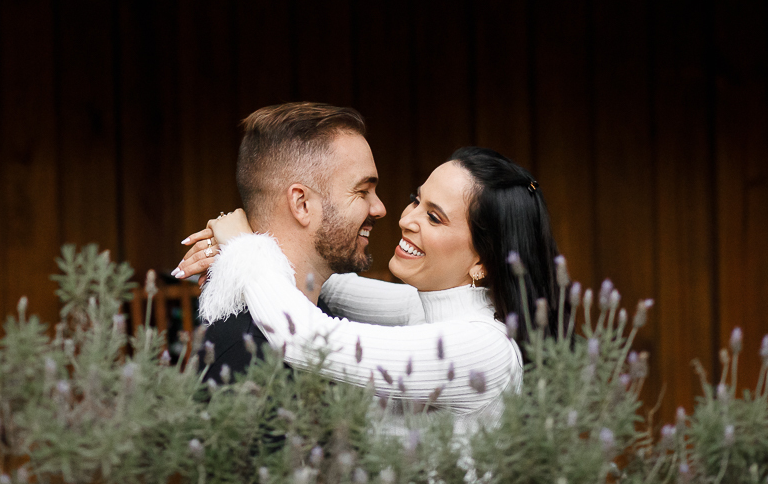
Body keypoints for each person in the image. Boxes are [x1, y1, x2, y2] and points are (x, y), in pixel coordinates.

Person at [177, 145, 566, 433]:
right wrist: (243, 239)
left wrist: (244, 243)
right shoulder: (422, 308)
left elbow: (312, 341)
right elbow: (324, 280)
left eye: (433, 217)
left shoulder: (484, 348)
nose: (406, 218)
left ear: (482, 261)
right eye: (417, 200)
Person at [178, 102, 388, 382]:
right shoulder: (244, 352)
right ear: (301, 204)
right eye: (362, 191)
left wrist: (242, 251)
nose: (379, 208)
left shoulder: (317, 312)